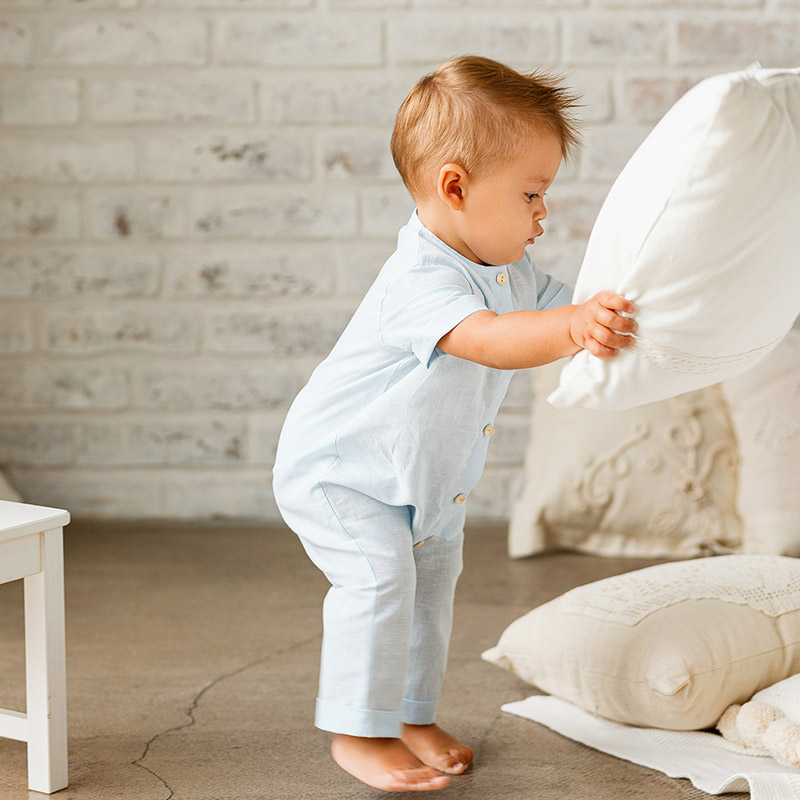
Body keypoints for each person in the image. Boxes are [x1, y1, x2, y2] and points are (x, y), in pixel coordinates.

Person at [272, 54, 636, 792]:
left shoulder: (508, 270)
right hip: (345, 476)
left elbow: (564, 305)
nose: (545, 213)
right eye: (532, 193)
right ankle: (358, 731)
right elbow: (494, 342)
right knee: (378, 584)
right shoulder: (420, 277)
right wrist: (570, 326)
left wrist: (605, 311)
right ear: (455, 187)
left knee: (428, 598)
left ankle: (409, 712)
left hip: (430, 487)